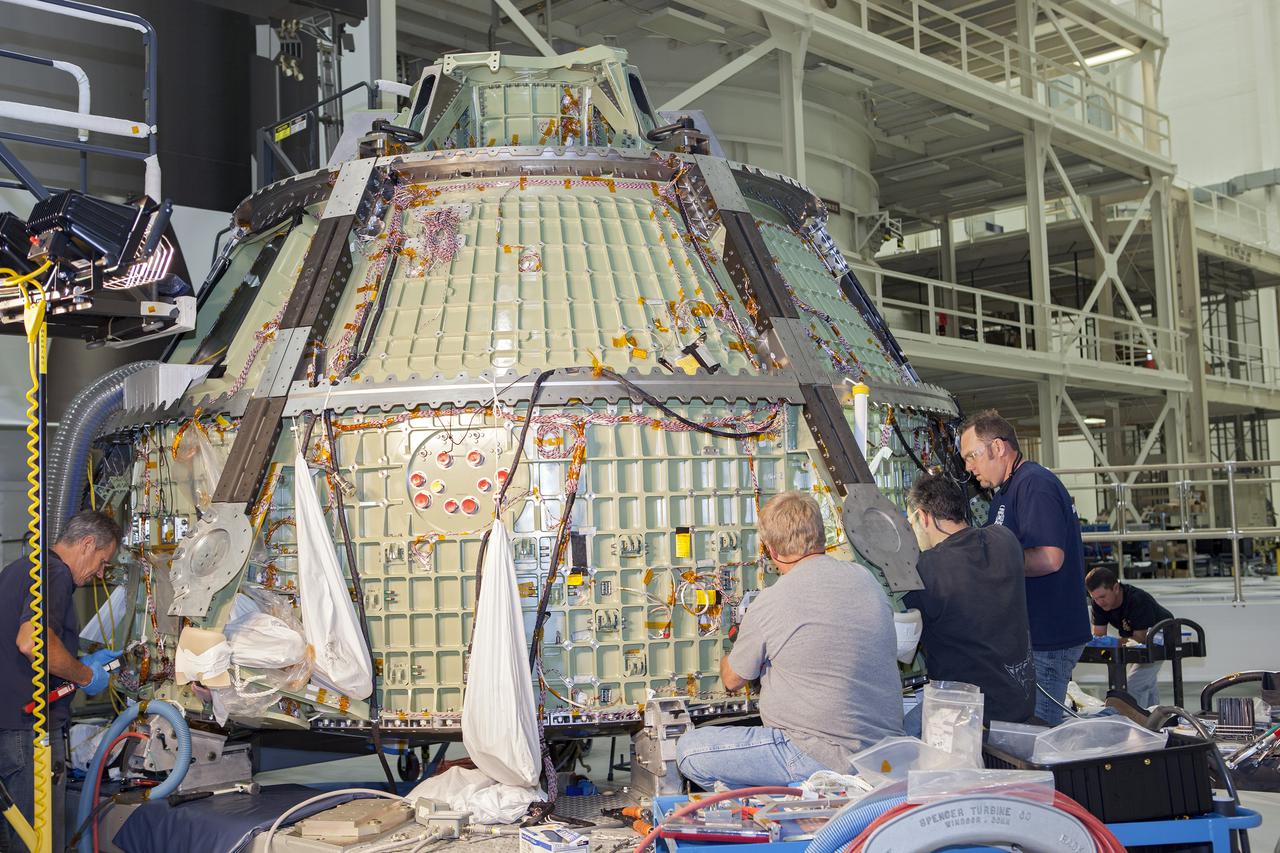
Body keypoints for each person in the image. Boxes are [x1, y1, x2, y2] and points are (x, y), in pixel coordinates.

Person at [676, 492, 903, 788]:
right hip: (882, 754)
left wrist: (732, 651)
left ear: (771, 551)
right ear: (822, 536)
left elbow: (732, 680)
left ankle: (776, 805)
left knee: (689, 751)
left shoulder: (773, 600)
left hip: (816, 754)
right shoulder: (866, 579)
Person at [0, 511, 123, 853]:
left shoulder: (21, 568)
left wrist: (79, 659)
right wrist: (86, 676)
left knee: (14, 839)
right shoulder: (54, 573)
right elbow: (31, 643)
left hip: (8, 730)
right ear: (87, 544)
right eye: (102, 561)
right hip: (29, 734)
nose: (100, 573)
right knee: (36, 843)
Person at [959, 410, 1090, 725]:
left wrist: (989, 564)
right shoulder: (1006, 491)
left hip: (1047, 636)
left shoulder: (1033, 484)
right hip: (1032, 637)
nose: (968, 467)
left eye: (972, 456)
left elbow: (1049, 557)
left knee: (1038, 739)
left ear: (999, 448)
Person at [903, 473, 1037, 725]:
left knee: (891, 738)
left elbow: (903, 645)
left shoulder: (927, 569)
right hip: (1018, 703)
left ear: (923, 516)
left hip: (966, 718)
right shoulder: (1005, 540)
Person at [1086, 566, 1174, 708]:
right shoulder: (1098, 603)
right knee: (1146, 685)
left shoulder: (1137, 600)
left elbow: (1140, 638)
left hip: (1160, 637)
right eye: (1094, 598)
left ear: (1115, 588)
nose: (1099, 602)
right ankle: (1154, 720)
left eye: (1102, 596)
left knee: (1134, 687)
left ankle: (1136, 721)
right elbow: (1098, 636)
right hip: (1137, 643)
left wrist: (1113, 642)